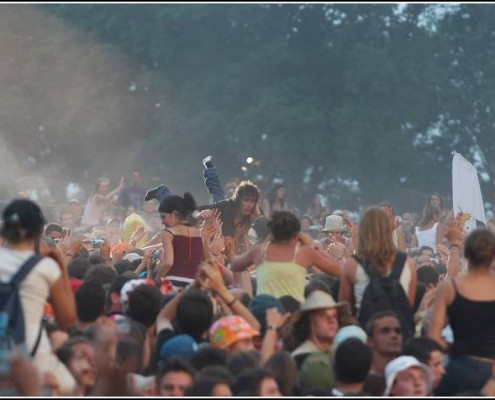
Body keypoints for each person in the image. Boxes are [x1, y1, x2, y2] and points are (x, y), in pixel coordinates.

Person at [0, 199, 77, 394]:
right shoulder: (45, 267)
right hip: (33, 358)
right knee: (70, 386)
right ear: (37, 232)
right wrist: (60, 259)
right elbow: (67, 320)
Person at [428, 228, 495, 395]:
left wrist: (454, 347)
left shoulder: (450, 286)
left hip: (458, 368)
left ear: (467, 254)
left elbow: (433, 337)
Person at [231, 211, 342, 302]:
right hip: (294, 315)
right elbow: (339, 270)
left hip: (264, 312)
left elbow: (235, 265)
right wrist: (311, 244)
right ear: (296, 235)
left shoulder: (260, 251)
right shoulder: (305, 252)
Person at [339, 207, 417, 335]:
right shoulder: (408, 264)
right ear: (389, 229)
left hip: (366, 337)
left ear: (363, 231)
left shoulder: (352, 265)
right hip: (399, 337)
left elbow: (344, 312)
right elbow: (408, 308)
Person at [157, 193, 204, 287]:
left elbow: (168, 263)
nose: (162, 222)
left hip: (172, 283)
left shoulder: (167, 233)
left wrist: (156, 280)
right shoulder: (200, 234)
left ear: (175, 214)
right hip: (195, 285)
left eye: (163, 217)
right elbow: (207, 260)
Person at [363, 311, 403, 396]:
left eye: (398, 331)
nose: (394, 335)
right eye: (385, 331)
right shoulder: (361, 378)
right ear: (370, 341)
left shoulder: (407, 376)